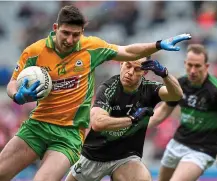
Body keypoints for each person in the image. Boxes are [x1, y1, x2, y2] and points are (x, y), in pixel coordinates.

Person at [0, 5, 191, 181]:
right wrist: (17, 95)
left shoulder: (91, 47)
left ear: (82, 32)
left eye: (75, 35)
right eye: (65, 33)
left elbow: (128, 51)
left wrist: (157, 45)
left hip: (69, 135)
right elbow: (13, 83)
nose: (70, 40)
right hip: (36, 127)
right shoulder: (35, 51)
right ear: (55, 27)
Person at [65, 56, 184, 181]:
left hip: (125, 157)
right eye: (128, 65)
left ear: (145, 72)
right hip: (94, 156)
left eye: (137, 69)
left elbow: (176, 95)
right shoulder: (108, 88)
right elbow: (97, 123)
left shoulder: (150, 89)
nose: (130, 72)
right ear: (121, 64)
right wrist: (132, 119)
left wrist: (165, 74)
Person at [148, 44, 217, 181]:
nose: (193, 70)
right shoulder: (180, 84)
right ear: (185, 64)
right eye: (190, 65)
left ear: (206, 67)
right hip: (178, 142)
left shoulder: (216, 92)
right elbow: (164, 110)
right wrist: (137, 126)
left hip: (202, 149)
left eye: (197, 66)